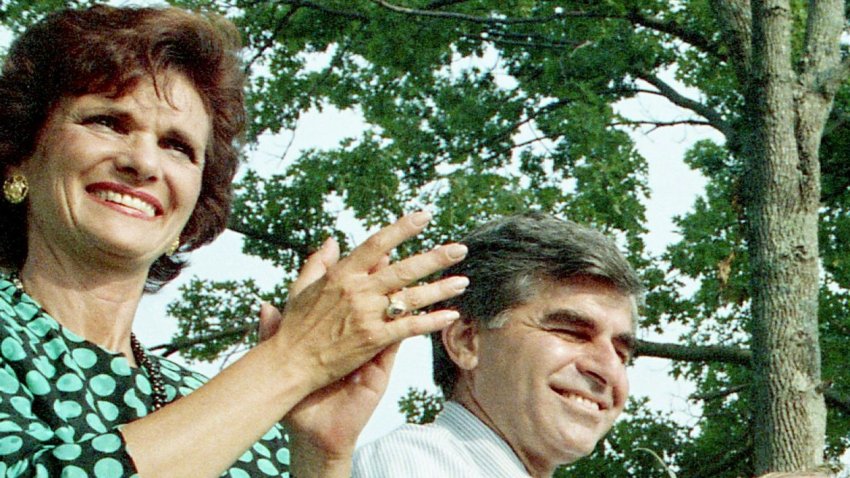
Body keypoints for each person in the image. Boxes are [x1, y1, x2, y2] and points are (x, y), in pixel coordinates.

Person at [0, 5, 470, 477]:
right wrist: (295, 358)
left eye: (177, 146)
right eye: (107, 121)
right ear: (19, 153)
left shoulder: (245, 414)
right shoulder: (270, 380)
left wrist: (319, 455)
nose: (143, 163)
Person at [352, 213, 643, 478]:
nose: (608, 368)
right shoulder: (413, 465)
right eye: (572, 332)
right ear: (466, 341)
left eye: (622, 354)